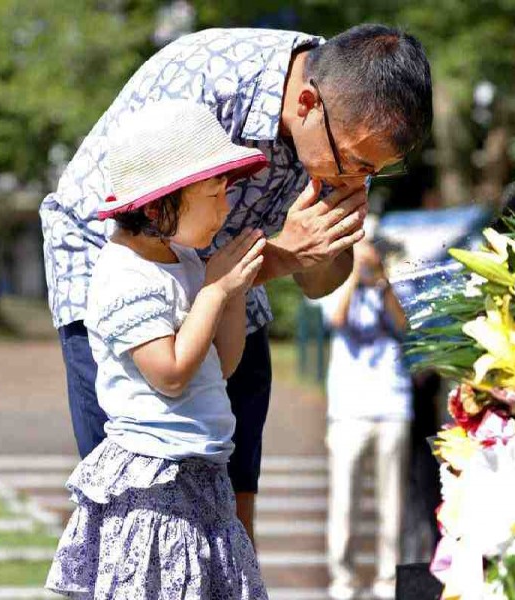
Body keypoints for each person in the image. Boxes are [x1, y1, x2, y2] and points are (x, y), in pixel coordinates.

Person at [40, 24, 433, 540]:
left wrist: (317, 243)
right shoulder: (209, 89)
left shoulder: (339, 115)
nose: (358, 181)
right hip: (120, 259)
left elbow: (318, 283)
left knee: (231, 482)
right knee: (136, 502)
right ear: (308, 104)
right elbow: (154, 239)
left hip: (228, 271)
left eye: (375, 172)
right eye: (357, 164)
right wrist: (278, 257)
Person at [46, 102, 269, 598]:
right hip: (155, 489)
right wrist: (212, 292)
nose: (225, 208)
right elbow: (169, 372)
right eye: (214, 194)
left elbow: (222, 364)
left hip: (204, 476)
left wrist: (232, 292)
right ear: (155, 205)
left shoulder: (185, 261)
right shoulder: (124, 274)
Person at [320, 236, 413, 600]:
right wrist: (354, 277)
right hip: (348, 411)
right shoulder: (333, 284)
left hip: (392, 405)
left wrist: (382, 282)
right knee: (344, 500)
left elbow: (403, 325)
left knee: (393, 501)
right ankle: (342, 577)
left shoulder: (388, 284)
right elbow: (338, 318)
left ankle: (389, 577)